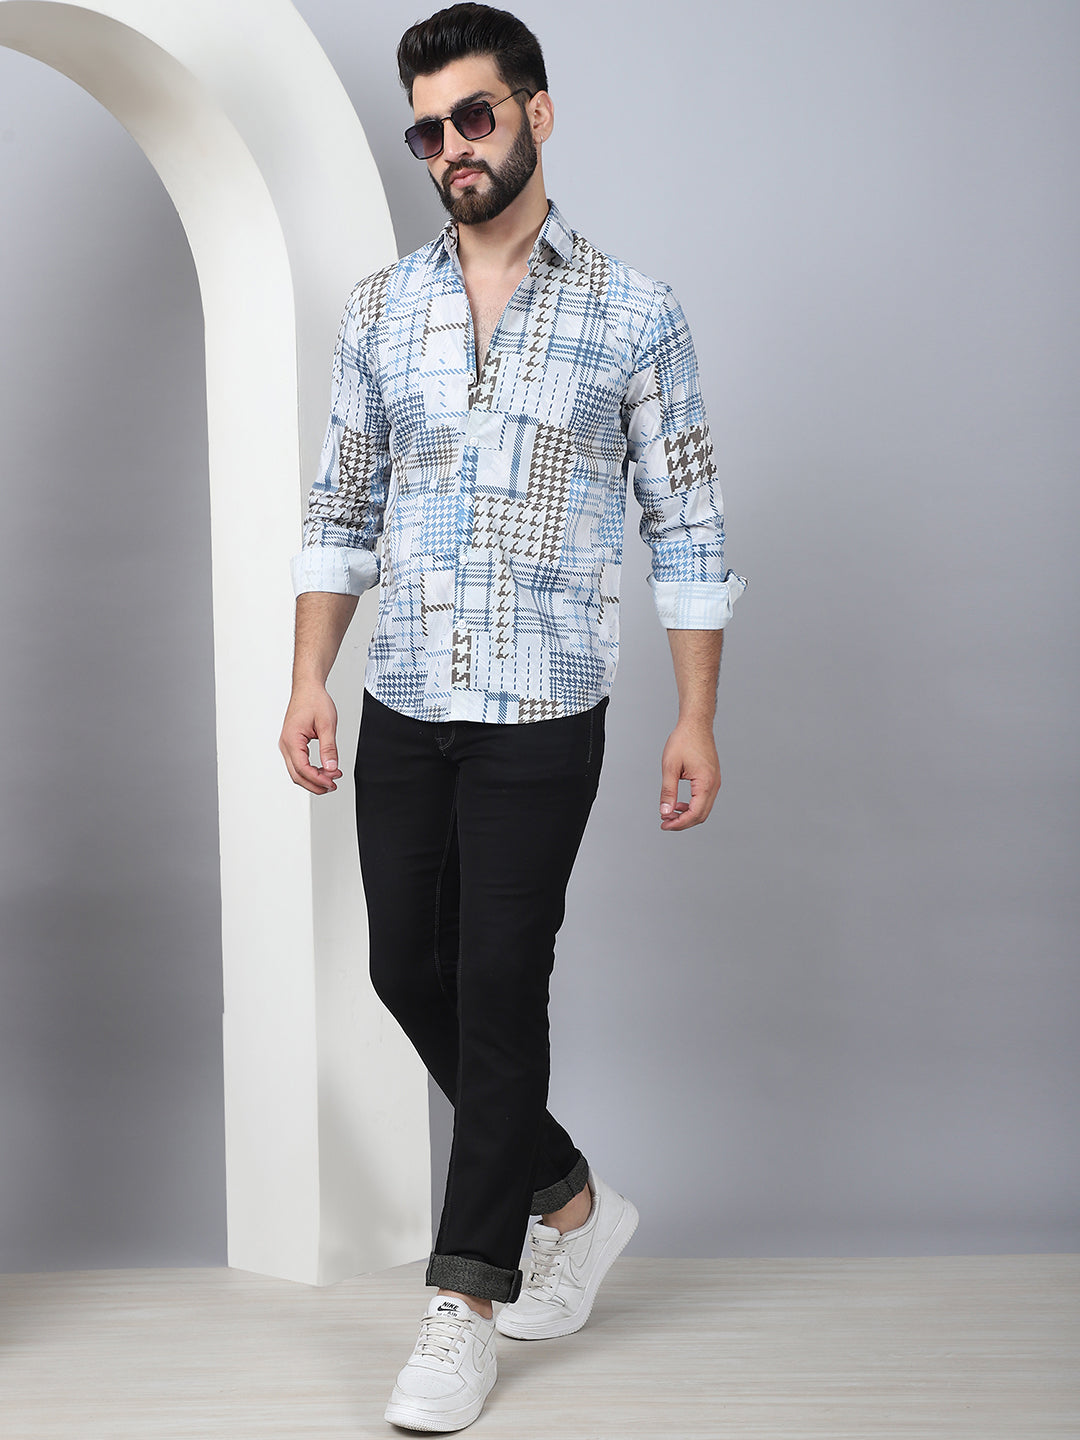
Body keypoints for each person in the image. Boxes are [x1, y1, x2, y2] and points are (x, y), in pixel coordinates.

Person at [278, 3, 745, 1430]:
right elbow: (339, 506)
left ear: (537, 113)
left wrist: (696, 715)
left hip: (547, 706)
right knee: (402, 970)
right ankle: (574, 1202)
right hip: (407, 692)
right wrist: (309, 675)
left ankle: (463, 1302)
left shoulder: (635, 312)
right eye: (426, 132)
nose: (449, 150)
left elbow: (689, 523)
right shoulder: (380, 310)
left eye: (472, 117)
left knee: (497, 983)